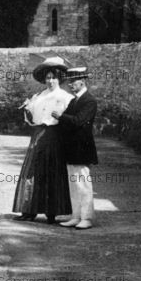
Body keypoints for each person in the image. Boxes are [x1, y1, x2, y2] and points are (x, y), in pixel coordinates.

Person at [12, 56, 73, 224]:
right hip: (37, 134)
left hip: (53, 136)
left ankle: (51, 212)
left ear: (59, 78)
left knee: (51, 171)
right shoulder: (38, 96)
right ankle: (29, 210)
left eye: (53, 77)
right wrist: (28, 110)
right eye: (48, 77)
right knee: (32, 171)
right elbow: (31, 119)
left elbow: (69, 120)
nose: (50, 81)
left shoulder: (66, 97)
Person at [51, 67, 98, 230]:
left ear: (82, 82)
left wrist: (60, 116)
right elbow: (67, 121)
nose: (70, 84)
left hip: (82, 148)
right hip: (71, 148)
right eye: (69, 81)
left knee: (83, 184)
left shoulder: (89, 101)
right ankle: (76, 216)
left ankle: (87, 217)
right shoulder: (74, 100)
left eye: (73, 81)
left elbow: (78, 121)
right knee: (74, 184)